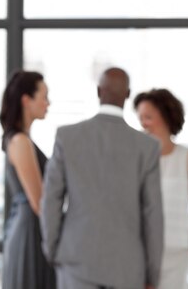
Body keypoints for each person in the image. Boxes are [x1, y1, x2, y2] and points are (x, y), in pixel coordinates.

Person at [41, 67, 163, 289]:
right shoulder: (147, 147)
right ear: (128, 94)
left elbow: (51, 199)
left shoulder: (67, 137)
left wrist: (53, 249)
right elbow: (153, 214)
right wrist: (152, 275)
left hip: (75, 260)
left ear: (99, 91)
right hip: (127, 268)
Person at [134, 88, 188, 289]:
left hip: (178, 250)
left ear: (165, 115)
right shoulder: (138, 158)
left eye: (148, 117)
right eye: (140, 118)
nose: (143, 123)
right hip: (143, 250)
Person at [0, 70, 56, 289]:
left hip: (29, 228)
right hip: (30, 231)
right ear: (26, 100)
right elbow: (39, 202)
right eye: (44, 96)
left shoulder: (22, 139)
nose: (48, 103)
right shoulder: (20, 141)